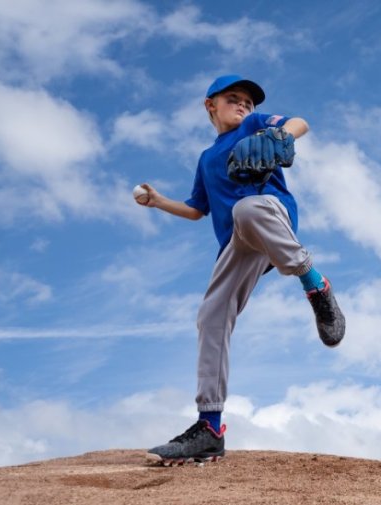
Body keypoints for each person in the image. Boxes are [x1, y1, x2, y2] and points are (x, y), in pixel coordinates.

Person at [136, 74, 345, 466]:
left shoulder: (253, 125)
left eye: (248, 101)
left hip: (270, 217)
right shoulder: (206, 157)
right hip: (237, 242)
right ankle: (210, 428)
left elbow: (299, 122)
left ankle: (315, 285)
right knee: (210, 317)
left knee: (247, 208)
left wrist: (283, 137)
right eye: (234, 98)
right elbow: (197, 209)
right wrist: (159, 201)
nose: (244, 105)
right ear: (209, 104)